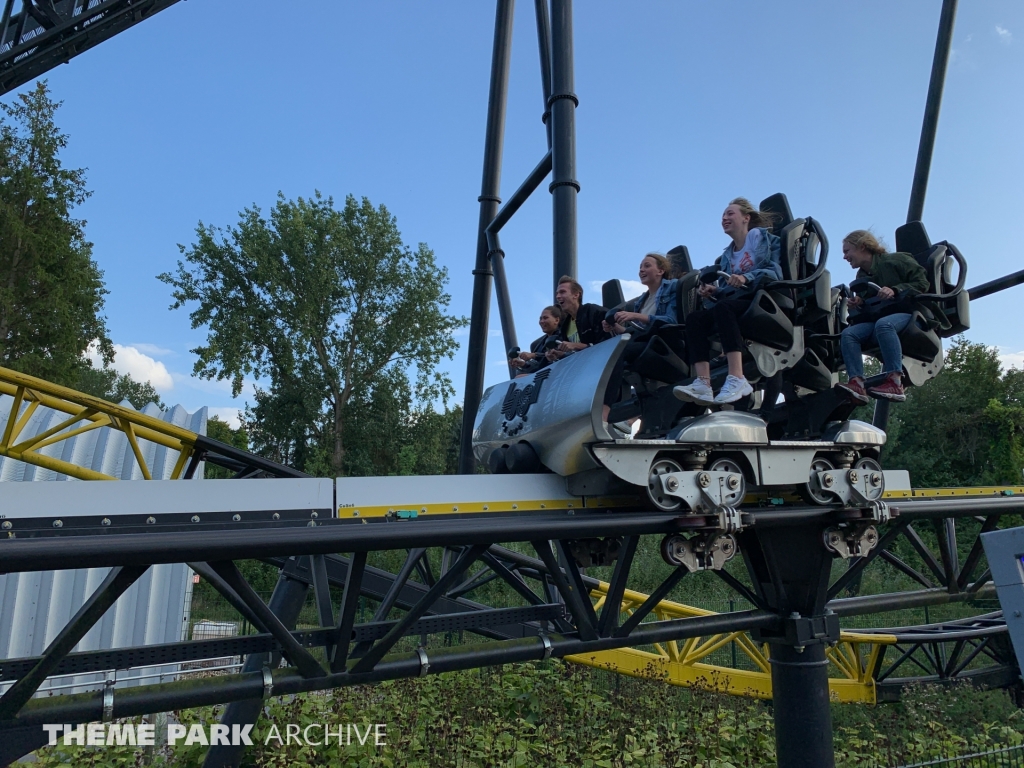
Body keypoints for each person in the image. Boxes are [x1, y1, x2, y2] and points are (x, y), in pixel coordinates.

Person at [673, 198, 782, 405]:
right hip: (735, 302)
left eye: (730, 213)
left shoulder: (763, 240)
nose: (724, 218)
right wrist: (716, 290)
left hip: (760, 299)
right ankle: (703, 383)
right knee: (696, 318)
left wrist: (746, 277)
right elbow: (728, 289)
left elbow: (774, 272)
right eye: (723, 215)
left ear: (746, 218)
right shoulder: (726, 256)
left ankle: (737, 377)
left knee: (724, 308)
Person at [835, 230, 930, 403]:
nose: (845, 257)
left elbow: (922, 283)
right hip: (879, 316)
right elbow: (869, 301)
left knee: (884, 325)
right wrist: (859, 302)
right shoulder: (862, 276)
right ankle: (856, 382)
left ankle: (895, 381)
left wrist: (895, 289)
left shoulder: (897, 260)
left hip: (909, 313)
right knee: (849, 334)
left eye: (847, 251)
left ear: (862, 246)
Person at [601, 253, 680, 425]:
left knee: (618, 354)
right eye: (640, 267)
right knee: (609, 353)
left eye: (647, 266)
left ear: (661, 270)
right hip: (643, 342)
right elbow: (635, 331)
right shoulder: (642, 301)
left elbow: (671, 320)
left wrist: (636, 316)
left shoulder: (671, 287)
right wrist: (614, 327)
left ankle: (604, 414)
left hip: (663, 343)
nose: (641, 270)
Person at [546, 276, 609, 362]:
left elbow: (608, 345)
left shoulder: (593, 312)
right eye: (557, 293)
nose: (558, 296)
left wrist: (577, 345)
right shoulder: (565, 326)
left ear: (576, 294)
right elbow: (572, 354)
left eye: (562, 292)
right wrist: (559, 355)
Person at [510, 305, 563, 374]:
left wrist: (534, 355)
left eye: (545, 318)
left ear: (556, 320)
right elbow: (537, 368)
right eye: (540, 319)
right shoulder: (536, 345)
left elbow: (564, 355)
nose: (541, 321)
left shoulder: (564, 336)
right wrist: (523, 364)